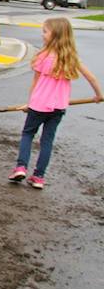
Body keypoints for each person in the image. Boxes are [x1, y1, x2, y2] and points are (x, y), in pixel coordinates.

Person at [8, 18, 102, 189]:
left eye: (45, 31)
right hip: (58, 107)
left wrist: (30, 103)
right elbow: (92, 78)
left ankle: (21, 167)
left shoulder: (43, 56)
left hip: (38, 105)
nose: (42, 35)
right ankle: (39, 177)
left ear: (55, 35)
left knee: (28, 134)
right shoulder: (71, 58)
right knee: (47, 140)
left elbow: (36, 82)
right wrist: (98, 95)